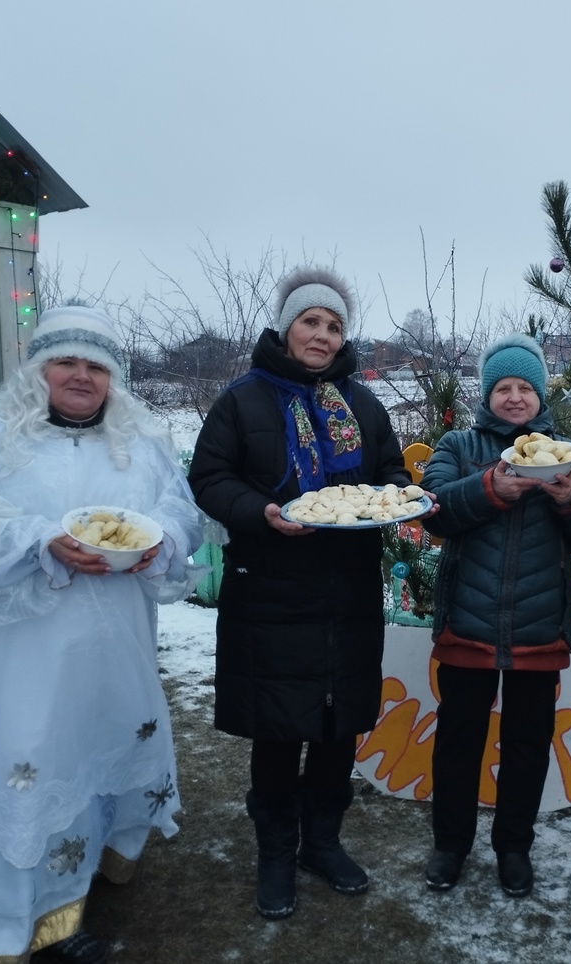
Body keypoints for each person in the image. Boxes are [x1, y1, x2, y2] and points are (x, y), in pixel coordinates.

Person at [0, 306, 207, 964]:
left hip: (113, 649)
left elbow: (180, 506)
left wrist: (163, 540)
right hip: (13, 657)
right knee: (24, 775)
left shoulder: (139, 439)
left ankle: (71, 898)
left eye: (98, 366)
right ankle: (6, 930)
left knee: (93, 763)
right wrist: (39, 539)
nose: (82, 376)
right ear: (38, 367)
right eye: (67, 361)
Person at [188, 265, 420, 920]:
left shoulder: (362, 405)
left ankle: (323, 841)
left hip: (346, 593)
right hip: (270, 591)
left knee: (338, 725)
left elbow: (390, 473)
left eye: (334, 324)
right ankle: (275, 852)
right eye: (310, 321)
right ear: (286, 327)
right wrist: (261, 511)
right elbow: (210, 477)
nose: (322, 334)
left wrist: (394, 499)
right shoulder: (243, 400)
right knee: (279, 729)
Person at [419, 334, 571, 897]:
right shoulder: (458, 445)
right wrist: (489, 488)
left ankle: (513, 848)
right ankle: (450, 846)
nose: (513, 397)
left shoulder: (567, 455)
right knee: (459, 741)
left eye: (525, 387)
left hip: (539, 628)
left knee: (528, 746)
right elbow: (433, 511)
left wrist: (569, 497)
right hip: (468, 624)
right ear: (487, 394)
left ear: (540, 395)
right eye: (503, 387)